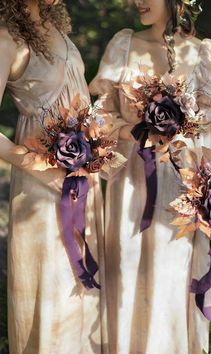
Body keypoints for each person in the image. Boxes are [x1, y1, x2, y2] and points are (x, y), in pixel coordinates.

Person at [89, 0, 211, 353]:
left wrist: (210, 190)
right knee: (128, 263)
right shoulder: (124, 45)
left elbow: (209, 131)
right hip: (132, 183)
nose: (137, 1)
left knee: (173, 273)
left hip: (182, 187)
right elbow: (98, 119)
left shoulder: (205, 54)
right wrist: (140, 130)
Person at [0, 1, 107, 353]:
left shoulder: (60, 30)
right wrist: (41, 169)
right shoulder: (7, 37)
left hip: (85, 177)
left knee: (84, 294)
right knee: (52, 288)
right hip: (42, 187)